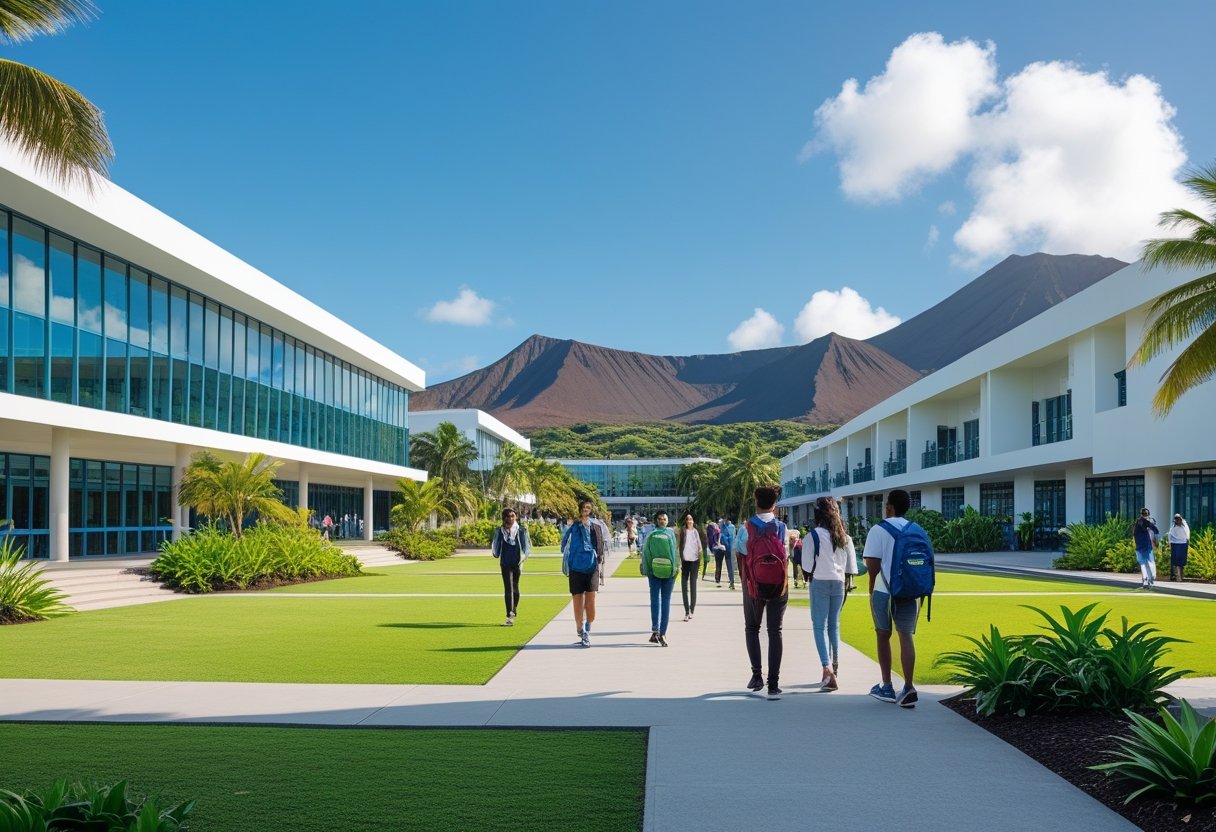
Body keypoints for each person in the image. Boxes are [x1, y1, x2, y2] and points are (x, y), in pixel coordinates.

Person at [863, 488, 923, 708]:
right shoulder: (915, 529)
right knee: (906, 637)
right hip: (909, 590)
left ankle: (886, 685)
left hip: (883, 590)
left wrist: (870, 591)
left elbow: (872, 565)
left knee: (883, 635)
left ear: (889, 506)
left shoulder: (879, 529)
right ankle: (908, 687)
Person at [737, 486, 789, 699]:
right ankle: (774, 683)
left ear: (756, 502)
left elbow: (741, 553)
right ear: (775, 505)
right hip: (779, 586)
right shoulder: (782, 528)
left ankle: (757, 675)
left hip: (754, 586)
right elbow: (786, 554)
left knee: (752, 628)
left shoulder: (746, 527)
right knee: (775, 630)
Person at [807, 496, 857, 692]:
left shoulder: (814, 535)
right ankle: (834, 667)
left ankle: (826, 669)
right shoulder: (845, 537)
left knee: (819, 626)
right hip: (839, 583)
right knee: (834, 626)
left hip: (819, 581)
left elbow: (806, 564)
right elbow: (851, 567)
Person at [561, 499, 603, 647]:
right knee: (578, 600)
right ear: (579, 509)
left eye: (588, 508)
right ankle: (581, 629)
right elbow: (563, 545)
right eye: (583, 508)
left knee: (591, 600)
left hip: (592, 567)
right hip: (575, 567)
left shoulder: (596, 527)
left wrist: (599, 564)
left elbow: (600, 548)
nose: (586, 510)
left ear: (591, 510)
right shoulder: (573, 527)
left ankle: (588, 625)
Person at [641, 511, 678, 646]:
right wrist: (675, 569)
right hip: (668, 571)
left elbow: (645, 553)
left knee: (655, 600)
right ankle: (662, 633)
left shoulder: (651, 534)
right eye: (661, 519)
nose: (663, 521)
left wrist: (647, 570)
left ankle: (656, 631)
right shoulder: (671, 534)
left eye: (664, 519)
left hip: (654, 570)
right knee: (665, 601)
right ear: (657, 520)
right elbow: (675, 553)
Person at [491, 508, 531, 626]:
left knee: (515, 588)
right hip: (505, 563)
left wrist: (524, 557)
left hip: (517, 562)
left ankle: (513, 609)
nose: (511, 518)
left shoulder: (521, 531)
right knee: (508, 588)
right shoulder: (500, 530)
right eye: (508, 516)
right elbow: (496, 545)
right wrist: (495, 554)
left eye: (513, 516)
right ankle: (509, 615)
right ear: (504, 518)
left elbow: (526, 546)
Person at [677, 512, 706, 621]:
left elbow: (700, 545)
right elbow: (679, 545)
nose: (689, 521)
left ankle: (692, 610)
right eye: (688, 519)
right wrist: (679, 559)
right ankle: (686, 611)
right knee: (684, 587)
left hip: (694, 561)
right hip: (685, 561)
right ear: (686, 521)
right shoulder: (682, 531)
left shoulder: (696, 532)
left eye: (691, 519)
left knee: (693, 585)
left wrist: (701, 555)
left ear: (693, 521)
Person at [1133, 508, 1161, 589]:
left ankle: (1145, 581)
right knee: (1150, 563)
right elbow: (1155, 529)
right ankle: (1151, 579)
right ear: (1147, 515)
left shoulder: (1137, 522)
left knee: (1143, 564)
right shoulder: (1145, 522)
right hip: (1146, 546)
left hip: (1139, 546)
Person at [1168, 513, 1190, 582]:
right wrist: (1170, 542)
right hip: (1176, 544)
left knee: (1182, 561)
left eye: (1179, 519)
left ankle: (1180, 576)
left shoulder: (1184, 525)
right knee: (1176, 560)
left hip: (1182, 544)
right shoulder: (1173, 527)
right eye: (1176, 519)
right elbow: (1170, 536)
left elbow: (1187, 534)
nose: (1178, 520)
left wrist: (1187, 541)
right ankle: (1177, 577)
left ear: (1180, 519)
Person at [717, 518, 736, 589]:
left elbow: (731, 538)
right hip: (720, 548)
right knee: (719, 564)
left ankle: (732, 581)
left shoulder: (732, 527)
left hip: (729, 549)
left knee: (730, 566)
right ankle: (717, 579)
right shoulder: (720, 525)